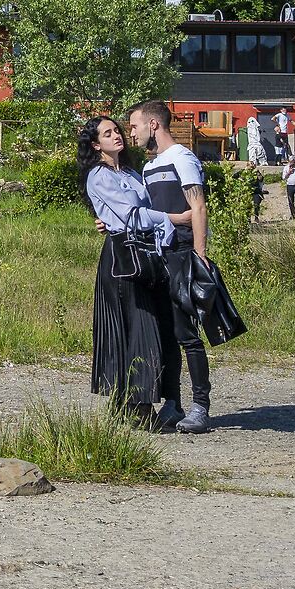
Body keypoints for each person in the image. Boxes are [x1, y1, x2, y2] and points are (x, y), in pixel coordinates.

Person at [79, 116, 182, 422]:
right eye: (107, 134)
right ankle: (136, 406)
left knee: (147, 325)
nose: (116, 136)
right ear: (97, 145)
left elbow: (141, 209)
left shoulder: (132, 173)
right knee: (134, 325)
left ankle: (139, 402)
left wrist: (160, 221)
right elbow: (129, 215)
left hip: (146, 253)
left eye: (117, 131)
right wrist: (172, 219)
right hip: (122, 258)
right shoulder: (98, 175)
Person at [127, 101, 213, 433]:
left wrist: (199, 256)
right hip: (156, 256)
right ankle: (173, 404)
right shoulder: (150, 167)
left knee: (187, 333)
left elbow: (199, 206)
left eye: (134, 126)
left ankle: (200, 407)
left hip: (182, 254)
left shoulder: (183, 158)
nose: (131, 133)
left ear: (154, 124)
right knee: (166, 333)